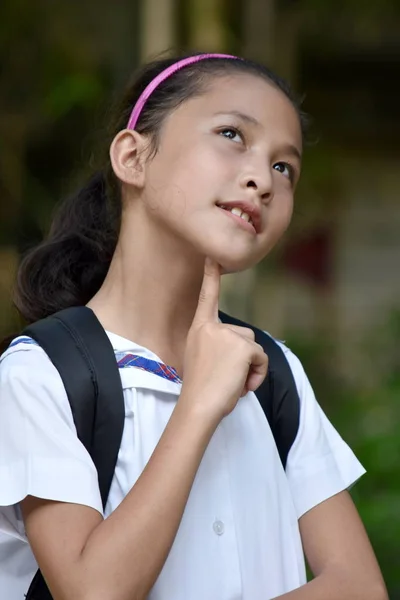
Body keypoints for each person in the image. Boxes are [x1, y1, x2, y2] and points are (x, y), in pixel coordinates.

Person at [0, 52, 388, 600]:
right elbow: (92, 592)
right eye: (232, 133)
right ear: (133, 156)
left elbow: (359, 586)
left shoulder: (274, 372)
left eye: (285, 167)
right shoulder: (39, 375)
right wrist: (199, 402)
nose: (263, 179)